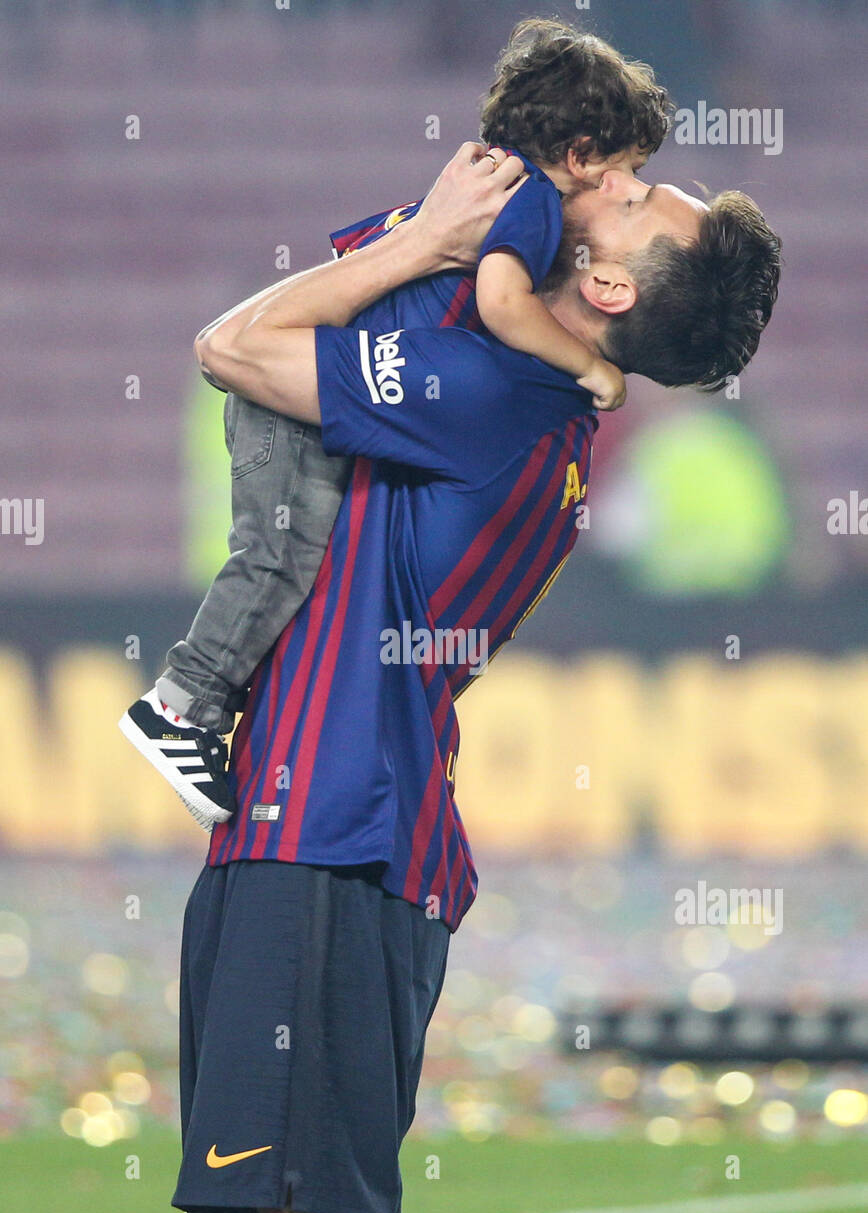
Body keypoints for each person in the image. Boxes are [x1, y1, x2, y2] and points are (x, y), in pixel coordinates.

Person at [165, 144, 781, 1213]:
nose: (611, 182)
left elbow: (230, 349)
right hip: (354, 822)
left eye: (636, 201)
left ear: (610, 289)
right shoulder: (528, 394)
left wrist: (430, 241)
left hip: (326, 821)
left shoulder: (490, 397)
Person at [119, 19, 670, 825]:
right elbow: (499, 302)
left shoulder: (473, 184)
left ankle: (199, 706)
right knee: (281, 557)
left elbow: (374, 257)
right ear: (582, 153)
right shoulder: (531, 208)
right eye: (628, 173)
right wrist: (588, 364)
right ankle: (180, 706)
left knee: (283, 556)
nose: (625, 193)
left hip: (318, 384)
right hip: (302, 393)